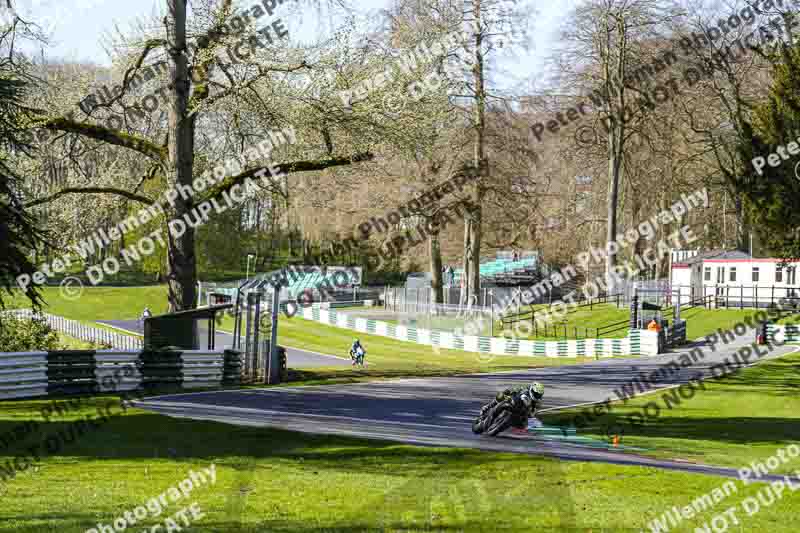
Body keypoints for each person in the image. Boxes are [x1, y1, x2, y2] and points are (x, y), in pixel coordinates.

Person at [480, 382, 544, 434]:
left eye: (539, 395)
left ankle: (504, 427)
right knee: (501, 396)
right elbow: (510, 390)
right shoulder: (523, 389)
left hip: (520, 414)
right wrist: (507, 394)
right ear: (532, 390)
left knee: (524, 425)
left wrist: (531, 413)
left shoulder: (537, 402)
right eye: (536, 394)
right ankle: (489, 406)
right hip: (512, 404)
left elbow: (533, 413)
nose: (537, 396)